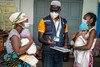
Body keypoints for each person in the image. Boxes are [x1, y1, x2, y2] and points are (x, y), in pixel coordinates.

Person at [38, 0, 69, 67]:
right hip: (48, 51)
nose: (54, 12)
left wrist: (66, 45)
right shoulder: (43, 21)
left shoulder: (64, 21)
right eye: (52, 10)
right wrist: (47, 42)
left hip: (60, 50)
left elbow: (66, 35)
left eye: (56, 11)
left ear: (60, 10)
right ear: (50, 9)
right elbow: (40, 38)